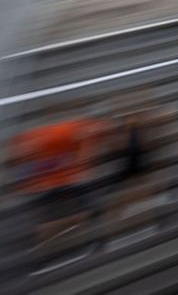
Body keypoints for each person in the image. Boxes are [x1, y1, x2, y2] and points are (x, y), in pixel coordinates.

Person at [7, 107, 111, 252]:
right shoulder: (71, 129)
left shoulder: (69, 129)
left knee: (86, 210)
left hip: (61, 182)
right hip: (58, 183)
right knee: (85, 210)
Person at [103, 89, 176, 244]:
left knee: (139, 198)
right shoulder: (125, 126)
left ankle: (146, 233)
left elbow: (158, 147)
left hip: (139, 172)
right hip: (130, 172)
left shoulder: (147, 123)